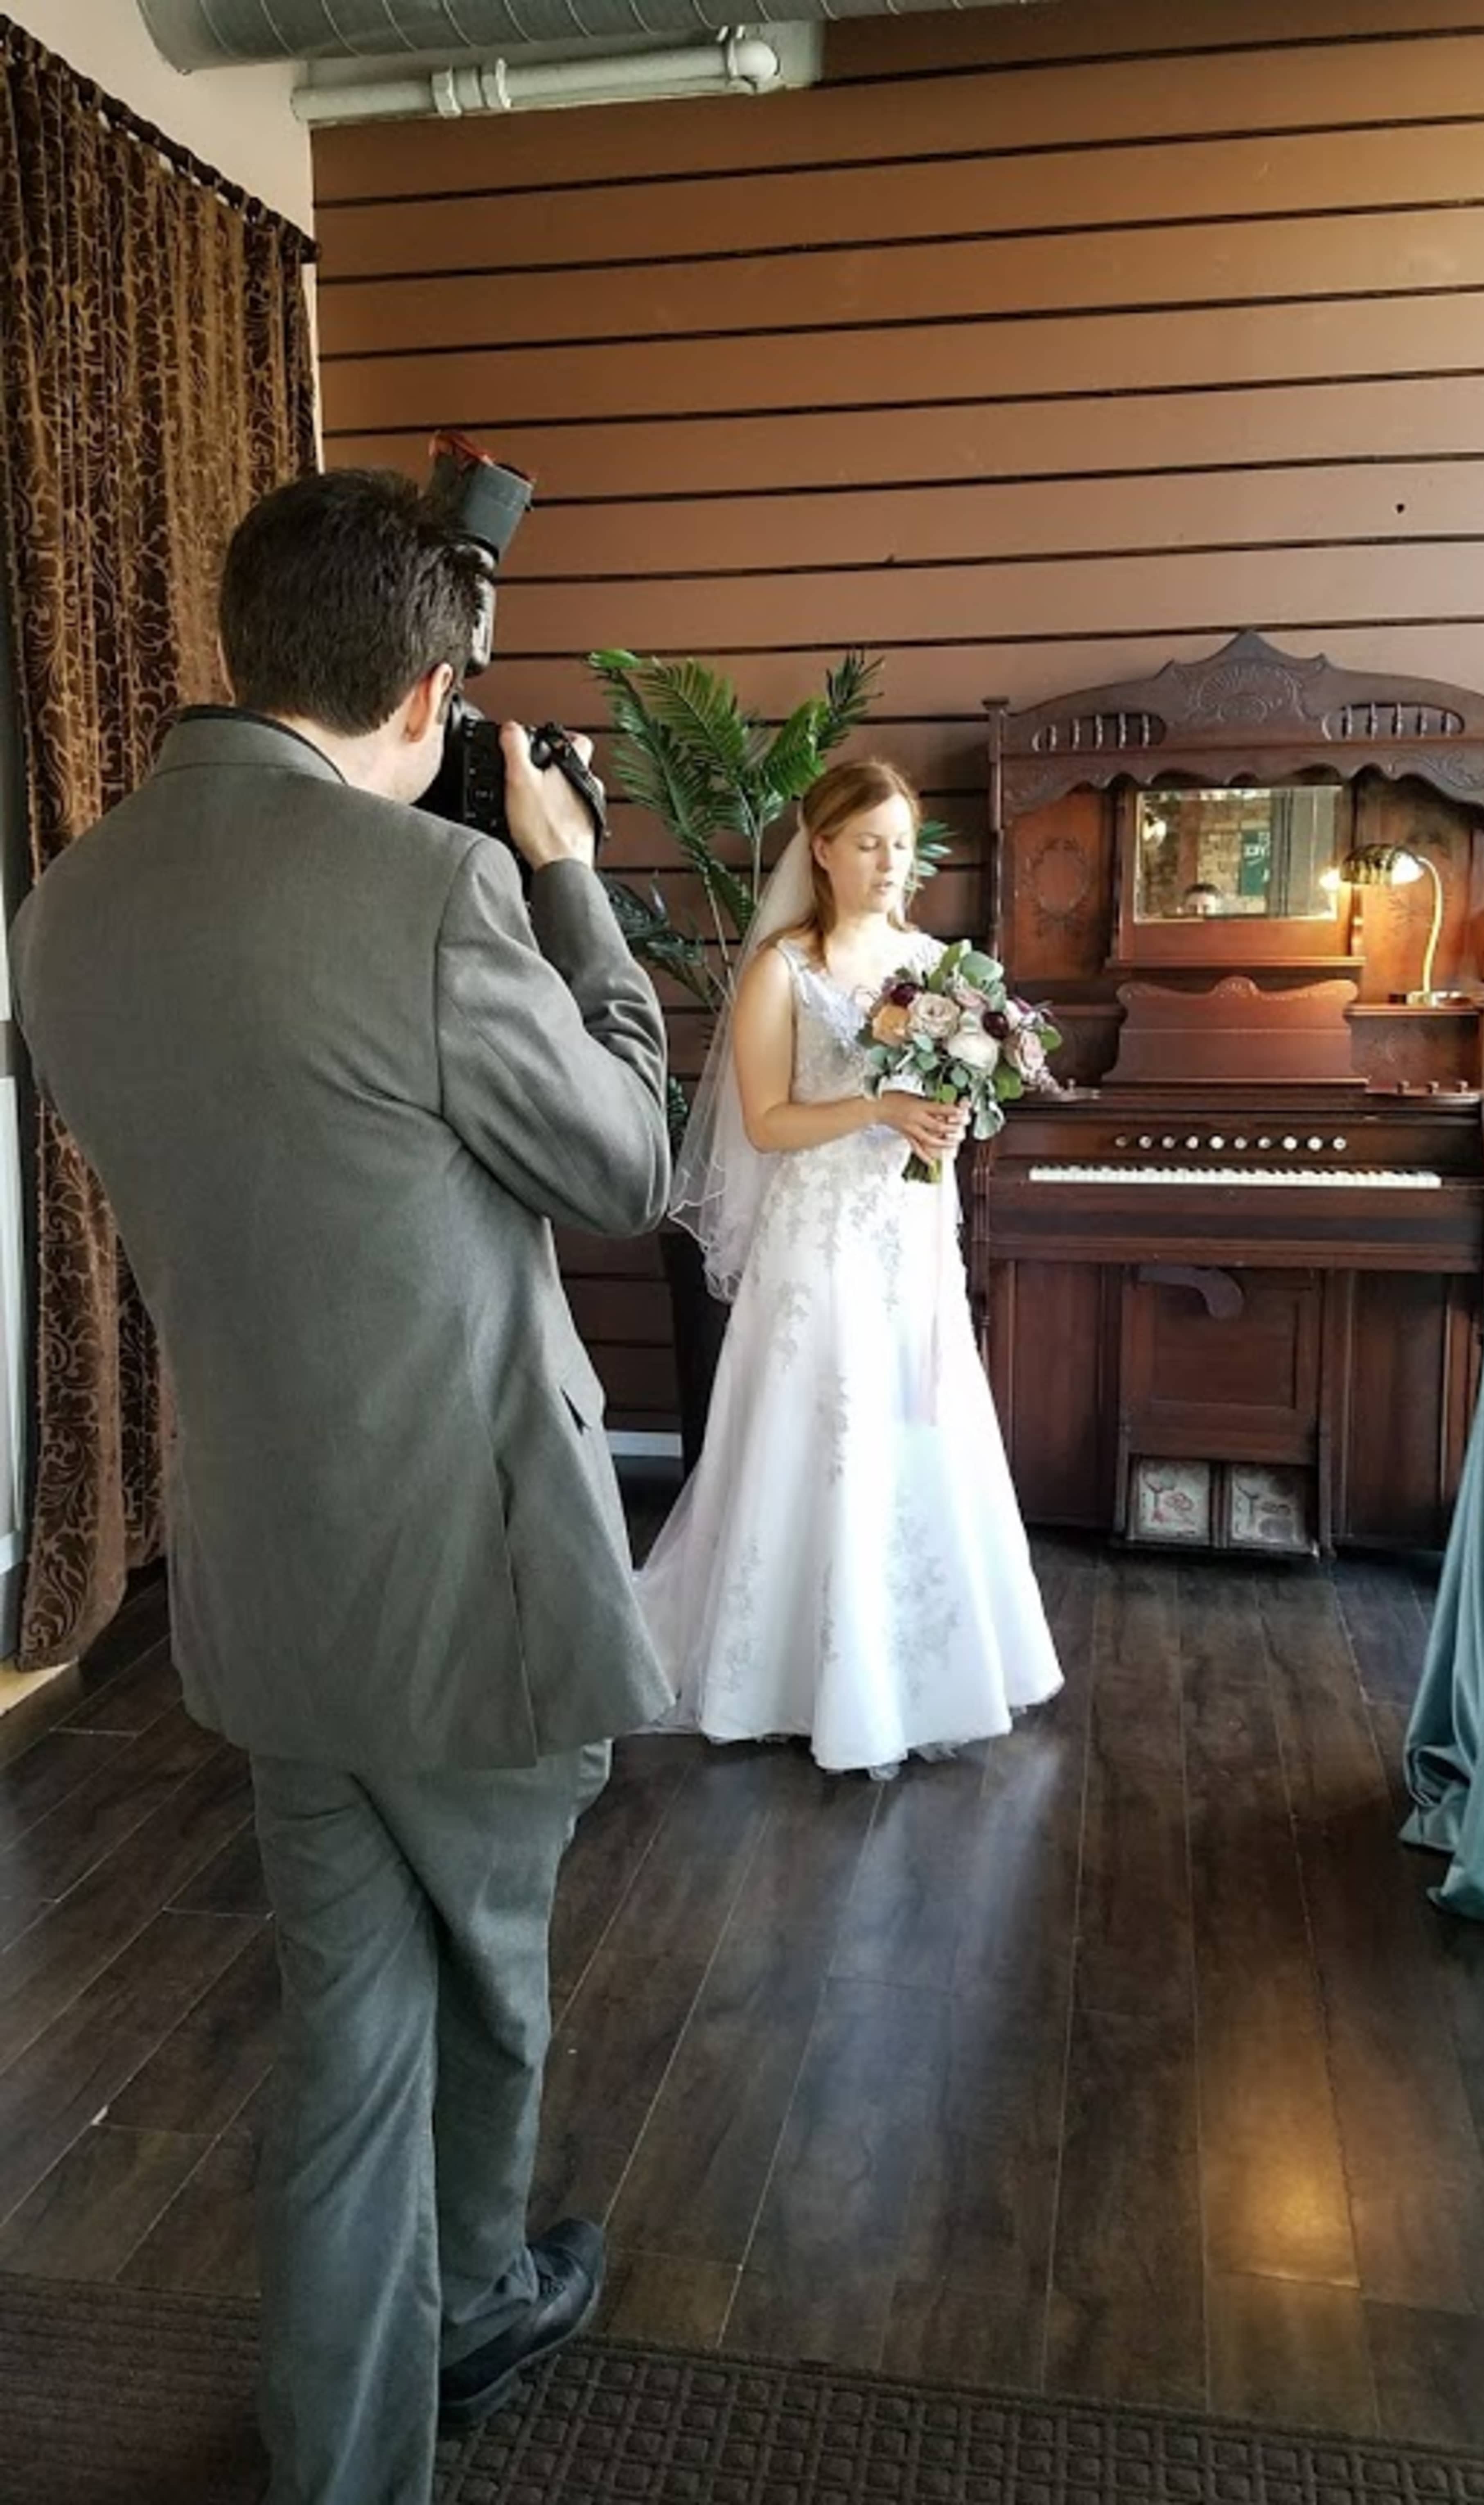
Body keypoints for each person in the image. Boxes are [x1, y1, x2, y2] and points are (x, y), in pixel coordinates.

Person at [9, 469, 674, 2505]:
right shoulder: (440, 896)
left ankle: (364, 2426)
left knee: (352, 2051)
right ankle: (462, 2316)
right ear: (430, 687)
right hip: (468, 1587)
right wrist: (561, 874)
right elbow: (629, 1163)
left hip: (267, 1586)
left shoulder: (70, 901)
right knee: (482, 2005)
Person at [636, 759, 1062, 1777]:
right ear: (820, 848)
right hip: (817, 1245)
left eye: (903, 844)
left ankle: (927, 1667)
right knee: (823, 1429)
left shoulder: (941, 969)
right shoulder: (785, 970)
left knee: (915, 1421)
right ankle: (785, 1673)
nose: (889, 864)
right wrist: (878, 1108)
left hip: (909, 1238)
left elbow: (951, 1098)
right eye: (868, 842)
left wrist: (948, 1124)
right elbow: (768, 1120)